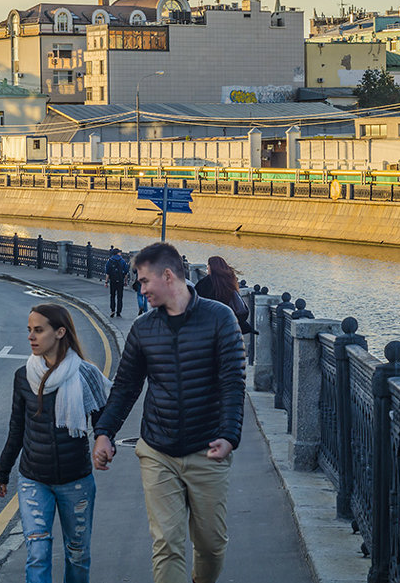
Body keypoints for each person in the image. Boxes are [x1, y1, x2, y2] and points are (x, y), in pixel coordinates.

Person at [92, 242, 246, 583]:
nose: (141, 288)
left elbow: (234, 383)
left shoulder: (220, 318)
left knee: (211, 545)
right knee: (167, 543)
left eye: (145, 281)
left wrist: (228, 436)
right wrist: (104, 433)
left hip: (208, 449)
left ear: (167, 275)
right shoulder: (144, 328)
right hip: (158, 450)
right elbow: (125, 387)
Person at [0, 303, 111, 583]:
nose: (31, 337)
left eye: (38, 330)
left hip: (76, 481)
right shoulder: (23, 377)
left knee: (78, 554)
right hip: (34, 479)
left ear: (60, 332)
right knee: (37, 551)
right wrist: (2, 471)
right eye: (29, 330)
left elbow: (104, 422)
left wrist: (104, 444)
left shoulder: (85, 374)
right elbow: (17, 428)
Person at [194, 256, 254, 335]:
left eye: (208, 265)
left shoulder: (205, 284)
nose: (207, 268)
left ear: (211, 267)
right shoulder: (229, 282)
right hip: (228, 324)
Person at [104, 248, 129, 319]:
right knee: (120, 297)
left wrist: (106, 282)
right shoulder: (123, 261)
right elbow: (126, 273)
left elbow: (107, 273)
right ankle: (118, 312)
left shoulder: (110, 261)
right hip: (120, 281)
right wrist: (125, 282)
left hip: (113, 281)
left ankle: (112, 310)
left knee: (112, 296)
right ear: (118, 253)